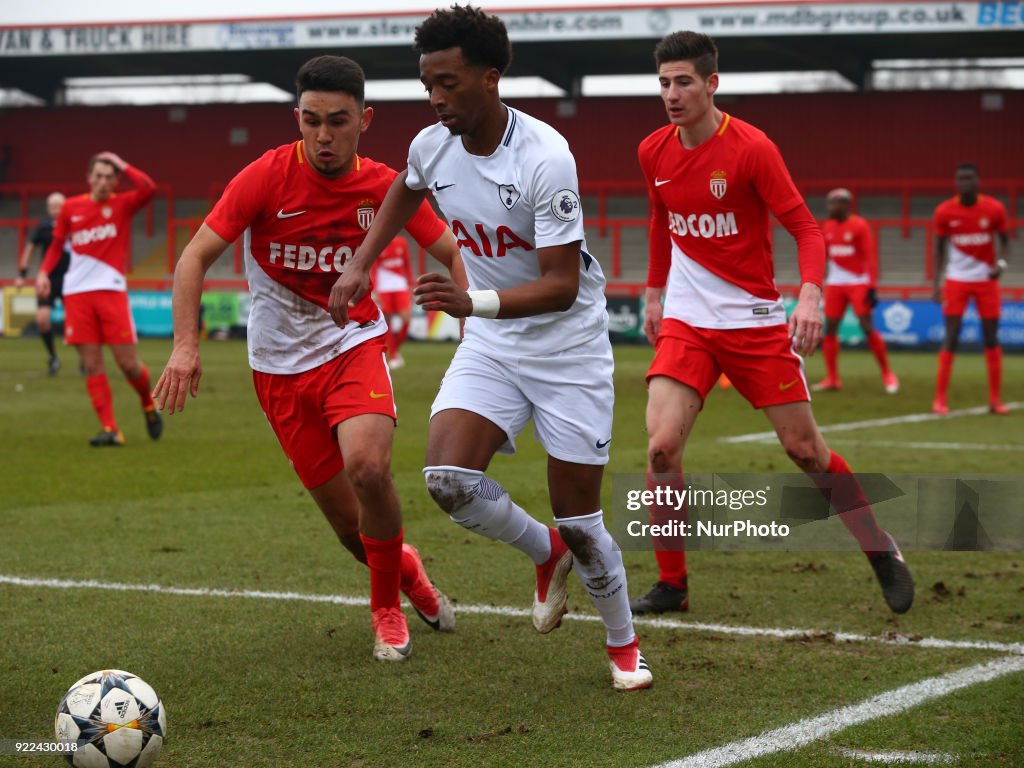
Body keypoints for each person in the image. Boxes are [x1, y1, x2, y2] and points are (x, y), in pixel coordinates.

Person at [329, 5, 652, 691]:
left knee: (583, 519)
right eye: (427, 85)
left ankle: (624, 647)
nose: (437, 99)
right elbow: (403, 191)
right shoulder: (430, 144)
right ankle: (544, 553)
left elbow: (562, 285)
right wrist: (361, 261)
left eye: (448, 84)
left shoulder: (545, 157)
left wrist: (467, 301)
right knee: (447, 482)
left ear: (490, 78)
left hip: (568, 350)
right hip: (494, 343)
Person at [153, 55, 458, 663]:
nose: (323, 135)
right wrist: (186, 345)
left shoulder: (384, 185)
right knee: (352, 533)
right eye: (311, 121)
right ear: (297, 118)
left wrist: (473, 309)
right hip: (279, 369)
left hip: (353, 343)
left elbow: (453, 248)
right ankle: (410, 576)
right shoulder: (264, 177)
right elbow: (193, 259)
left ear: (364, 120)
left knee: (369, 470)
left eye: (338, 121)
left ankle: (386, 612)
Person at [631, 31, 914, 617]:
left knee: (806, 453)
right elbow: (661, 222)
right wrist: (654, 292)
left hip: (754, 322)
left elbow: (807, 230)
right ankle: (672, 583)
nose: (672, 94)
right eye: (663, 82)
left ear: (712, 84)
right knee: (661, 451)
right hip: (687, 321)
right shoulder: (652, 150)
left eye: (684, 81)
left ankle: (880, 548)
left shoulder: (752, 148)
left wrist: (809, 295)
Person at [36, 152, 163, 446]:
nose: (103, 182)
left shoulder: (122, 204)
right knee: (92, 364)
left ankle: (148, 404)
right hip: (76, 295)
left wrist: (122, 163)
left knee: (128, 365)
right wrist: (43, 273)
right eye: (99, 176)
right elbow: (56, 246)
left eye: (109, 177)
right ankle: (110, 429)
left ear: (115, 180)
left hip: (111, 292)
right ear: (89, 178)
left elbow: (149, 189)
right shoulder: (70, 207)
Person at [931, 163, 1011, 415]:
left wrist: (1001, 263)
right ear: (956, 183)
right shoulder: (944, 211)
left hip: (986, 281)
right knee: (951, 336)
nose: (965, 183)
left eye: (969, 179)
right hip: (956, 281)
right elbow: (939, 248)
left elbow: (1005, 241)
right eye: (960, 179)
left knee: (991, 336)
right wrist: (937, 283)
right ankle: (940, 399)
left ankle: (995, 400)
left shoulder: (994, 208)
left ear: (978, 181)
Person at [813, 188, 898, 394]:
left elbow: (870, 256)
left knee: (867, 326)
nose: (830, 208)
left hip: (858, 282)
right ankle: (832, 378)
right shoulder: (828, 226)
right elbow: (823, 256)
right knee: (830, 328)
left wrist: (871, 286)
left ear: (845, 205)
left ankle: (887, 374)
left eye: (834, 204)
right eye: (829, 203)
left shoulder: (860, 225)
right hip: (835, 283)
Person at [17, 192, 69, 375]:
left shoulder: (76, 226)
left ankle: (87, 361)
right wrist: (22, 274)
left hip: (73, 280)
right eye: (53, 206)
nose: (56, 210)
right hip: (48, 280)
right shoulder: (43, 228)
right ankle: (53, 357)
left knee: (79, 325)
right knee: (42, 319)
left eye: (60, 206)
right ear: (48, 208)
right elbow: (29, 249)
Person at [371, 234, 415, 369]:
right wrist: (375, 289)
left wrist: (411, 282)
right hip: (383, 288)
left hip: (400, 285)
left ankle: (394, 351)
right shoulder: (378, 241)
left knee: (406, 320)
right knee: (387, 322)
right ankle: (394, 356)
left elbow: (406, 262)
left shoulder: (402, 242)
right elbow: (373, 268)